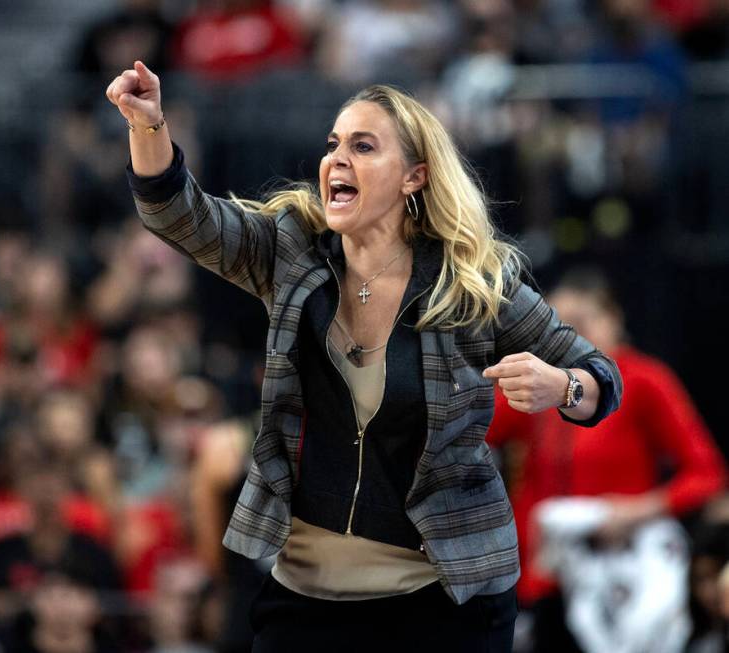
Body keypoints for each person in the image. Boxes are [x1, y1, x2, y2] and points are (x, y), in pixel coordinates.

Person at [106, 60, 623, 651]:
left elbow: (603, 377)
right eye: (333, 145)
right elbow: (182, 217)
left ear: (413, 177)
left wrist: (564, 388)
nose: (337, 159)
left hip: (443, 601)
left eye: (363, 145)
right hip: (305, 600)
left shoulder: (473, 285)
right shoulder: (289, 251)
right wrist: (148, 126)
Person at [487, 266, 726, 652]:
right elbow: (476, 429)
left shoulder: (645, 379)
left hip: (617, 567)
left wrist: (635, 511)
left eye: (579, 323)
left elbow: (706, 473)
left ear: (613, 318)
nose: (566, 339)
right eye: (554, 328)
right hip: (543, 573)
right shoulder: (543, 383)